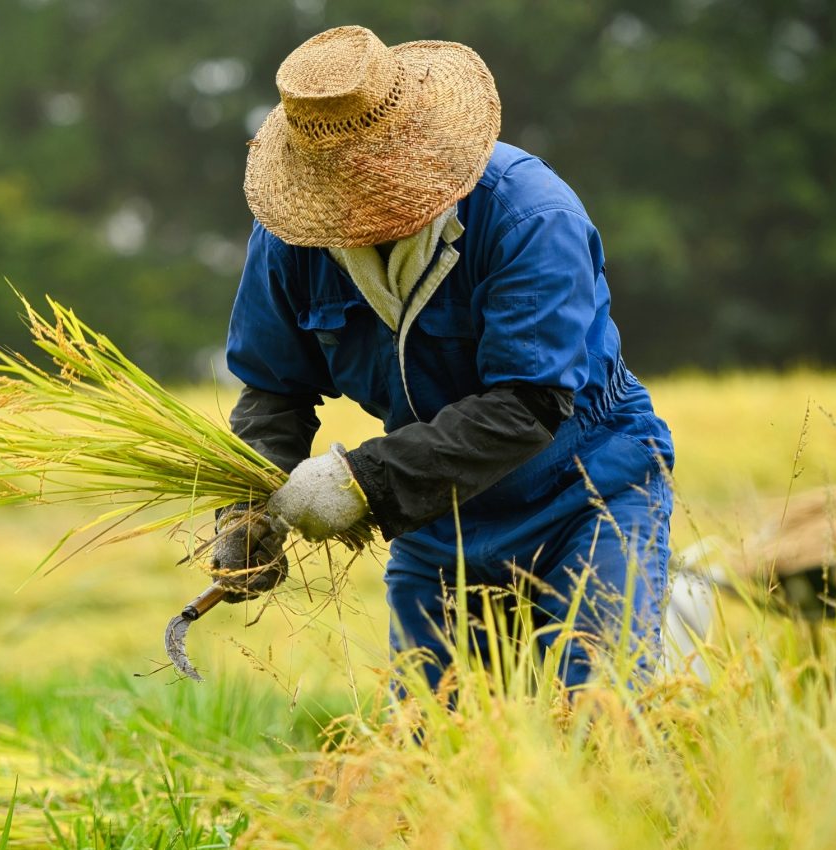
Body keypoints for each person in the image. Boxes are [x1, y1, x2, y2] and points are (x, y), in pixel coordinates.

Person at [211, 25, 675, 692]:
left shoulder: (528, 218)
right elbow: (273, 392)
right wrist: (245, 511)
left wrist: (361, 482)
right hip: (437, 518)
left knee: (599, 714)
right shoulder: (291, 240)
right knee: (436, 744)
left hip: (585, 493)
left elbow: (529, 404)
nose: (359, 205)